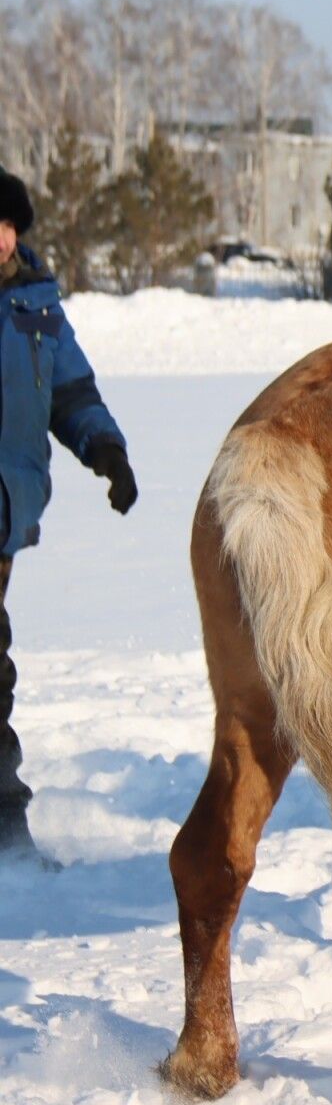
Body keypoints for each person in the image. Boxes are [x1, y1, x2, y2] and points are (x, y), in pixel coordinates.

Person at [0, 167, 138, 866]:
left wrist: (105, 448)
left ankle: (4, 831)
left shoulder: (37, 304)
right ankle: (5, 830)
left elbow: (70, 389)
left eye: (7, 225)